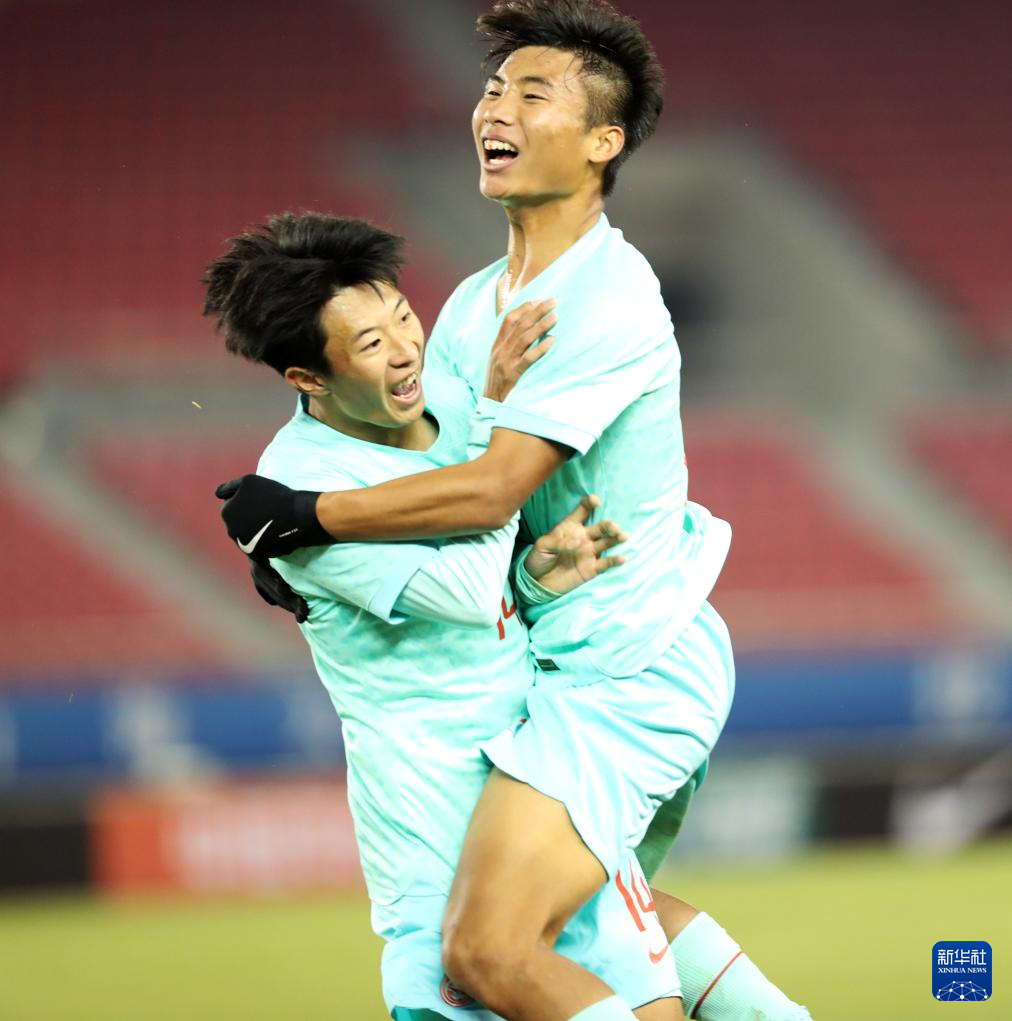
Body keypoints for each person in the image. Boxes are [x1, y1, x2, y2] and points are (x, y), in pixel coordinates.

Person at [215, 3, 812, 1020]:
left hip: (629, 663)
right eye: (493, 89)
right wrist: (300, 544)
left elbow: (489, 489)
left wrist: (307, 517)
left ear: (602, 141)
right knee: (587, 926)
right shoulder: (468, 306)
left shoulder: (604, 297)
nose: (495, 109)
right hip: (559, 665)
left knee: (486, 949)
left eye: (532, 94)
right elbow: (451, 481)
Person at [202, 211, 683, 1021]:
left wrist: (532, 577)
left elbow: (491, 592)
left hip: (537, 791)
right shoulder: (291, 496)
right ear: (308, 377)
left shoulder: (457, 403)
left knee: (661, 1007)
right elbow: (464, 592)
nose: (405, 349)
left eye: (403, 316)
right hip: (433, 829)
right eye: (370, 342)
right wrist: (498, 430)